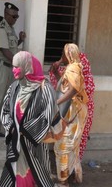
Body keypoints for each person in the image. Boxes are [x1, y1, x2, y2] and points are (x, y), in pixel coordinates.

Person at [0, 51, 63, 187]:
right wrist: (11, 128)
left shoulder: (45, 89)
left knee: (38, 176)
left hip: (35, 145)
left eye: (17, 67)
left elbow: (47, 115)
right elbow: (5, 110)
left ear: (27, 67)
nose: (13, 70)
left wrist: (25, 131)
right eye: (13, 66)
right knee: (14, 177)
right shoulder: (14, 86)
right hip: (16, 144)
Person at [0, 2, 26, 140]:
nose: (15, 19)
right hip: (0, 67)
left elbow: (11, 48)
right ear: (6, 14)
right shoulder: (1, 28)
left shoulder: (10, 29)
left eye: (17, 17)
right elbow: (4, 50)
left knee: (5, 100)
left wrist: (20, 40)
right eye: (14, 16)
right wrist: (19, 63)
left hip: (9, 68)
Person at [52, 43, 89, 186]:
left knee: (63, 146)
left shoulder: (73, 68)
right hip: (73, 111)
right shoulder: (72, 68)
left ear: (68, 55)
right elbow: (65, 85)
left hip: (72, 112)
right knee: (71, 145)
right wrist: (56, 71)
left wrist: (57, 102)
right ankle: (75, 176)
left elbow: (73, 90)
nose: (61, 56)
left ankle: (63, 182)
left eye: (63, 54)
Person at [49, 51, 95, 160]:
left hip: (79, 113)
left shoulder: (84, 76)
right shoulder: (66, 72)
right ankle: (65, 170)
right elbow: (61, 86)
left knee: (76, 142)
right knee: (64, 141)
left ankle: (73, 169)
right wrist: (58, 64)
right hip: (66, 113)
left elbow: (75, 91)